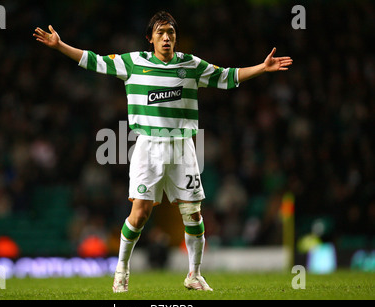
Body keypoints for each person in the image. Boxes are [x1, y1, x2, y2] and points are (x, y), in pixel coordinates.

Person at [33, 11, 292, 292]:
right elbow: (93, 61)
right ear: (150, 38)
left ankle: (194, 274)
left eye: (171, 33)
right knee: (140, 214)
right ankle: (121, 269)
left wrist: (261, 67)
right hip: (149, 147)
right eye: (161, 33)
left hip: (183, 147)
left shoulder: (191, 65)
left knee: (193, 213)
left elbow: (227, 77)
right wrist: (60, 46)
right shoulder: (134, 63)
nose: (167, 37)